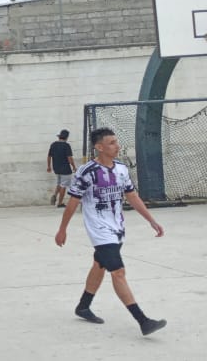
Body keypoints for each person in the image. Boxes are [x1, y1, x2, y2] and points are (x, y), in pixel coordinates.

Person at [54, 127, 167, 336]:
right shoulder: (86, 172)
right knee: (118, 271)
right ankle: (143, 321)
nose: (117, 146)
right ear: (99, 147)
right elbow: (73, 202)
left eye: (116, 141)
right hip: (99, 230)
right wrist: (62, 229)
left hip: (117, 228)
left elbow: (132, 196)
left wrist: (151, 220)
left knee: (99, 265)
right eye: (112, 143)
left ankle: (83, 306)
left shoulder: (121, 169)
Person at [48, 129, 77, 208]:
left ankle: (55, 195)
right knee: (63, 186)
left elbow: (49, 156)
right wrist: (74, 167)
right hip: (65, 169)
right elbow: (69, 158)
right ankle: (60, 203)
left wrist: (49, 166)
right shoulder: (66, 145)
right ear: (67, 137)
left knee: (59, 184)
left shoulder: (53, 144)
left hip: (56, 168)